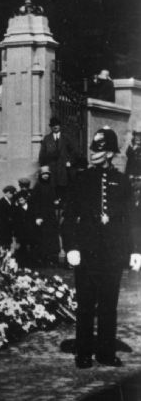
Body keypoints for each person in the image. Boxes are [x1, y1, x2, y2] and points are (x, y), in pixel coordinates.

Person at [63, 127, 141, 368]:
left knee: (109, 304)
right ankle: (83, 352)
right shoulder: (82, 179)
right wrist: (71, 246)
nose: (94, 153)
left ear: (109, 153)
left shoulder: (122, 181)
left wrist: (136, 249)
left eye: (99, 148)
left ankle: (106, 352)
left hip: (112, 254)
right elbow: (68, 216)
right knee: (86, 304)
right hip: (87, 251)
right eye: (94, 148)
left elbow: (132, 218)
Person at [38, 117, 76, 204]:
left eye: (57, 125)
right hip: (51, 169)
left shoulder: (66, 137)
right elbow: (42, 154)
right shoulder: (47, 139)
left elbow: (74, 151)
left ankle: (62, 209)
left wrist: (69, 161)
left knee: (63, 190)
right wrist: (44, 168)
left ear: (60, 126)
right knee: (52, 189)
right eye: (53, 125)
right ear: (51, 127)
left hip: (63, 169)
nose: (55, 127)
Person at [29, 166, 61, 266]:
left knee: (51, 238)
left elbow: (53, 198)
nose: (46, 176)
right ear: (40, 175)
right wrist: (38, 216)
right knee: (42, 238)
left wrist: (56, 202)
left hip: (50, 216)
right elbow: (34, 203)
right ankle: (41, 259)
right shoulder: (37, 187)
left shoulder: (51, 186)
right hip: (42, 216)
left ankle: (51, 258)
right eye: (44, 174)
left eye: (47, 174)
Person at [11, 183, 38, 268]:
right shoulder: (17, 209)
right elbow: (15, 222)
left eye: (22, 199)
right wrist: (16, 234)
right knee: (22, 249)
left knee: (32, 248)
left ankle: (32, 264)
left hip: (31, 231)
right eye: (19, 200)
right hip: (21, 233)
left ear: (26, 199)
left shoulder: (32, 208)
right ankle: (22, 264)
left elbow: (34, 219)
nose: (20, 201)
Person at [0, 185, 17, 251]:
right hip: (3, 227)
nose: (12, 194)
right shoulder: (0, 202)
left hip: (10, 227)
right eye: (11, 193)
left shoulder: (13, 202)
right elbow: (1, 215)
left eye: (13, 193)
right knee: (3, 244)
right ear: (6, 193)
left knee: (9, 243)